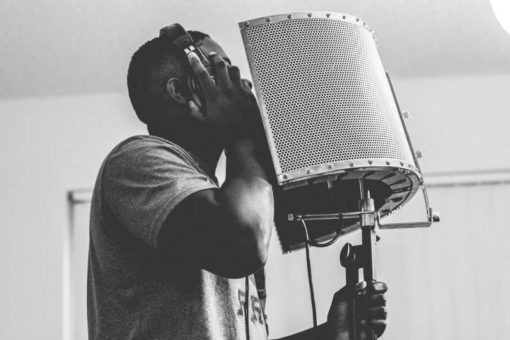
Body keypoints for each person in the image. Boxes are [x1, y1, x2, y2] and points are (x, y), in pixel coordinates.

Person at [87, 26, 388, 340]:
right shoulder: (137, 160)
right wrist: (240, 134)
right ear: (181, 90)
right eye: (221, 71)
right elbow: (243, 245)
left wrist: (330, 334)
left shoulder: (226, 199)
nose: (242, 86)